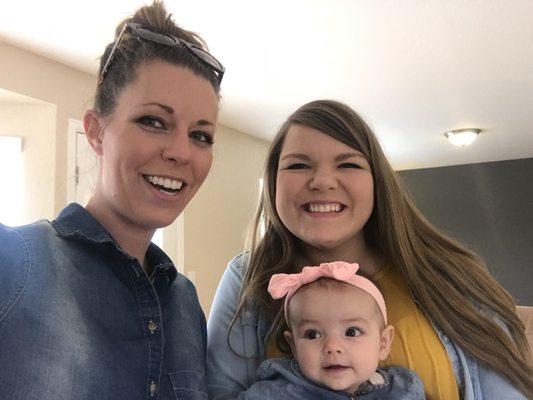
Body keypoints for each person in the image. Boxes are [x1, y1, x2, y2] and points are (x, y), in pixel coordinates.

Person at [206, 100, 532, 400]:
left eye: (347, 164)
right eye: (298, 165)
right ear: (274, 180)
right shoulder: (245, 279)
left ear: (377, 180)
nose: (322, 181)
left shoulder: (453, 276)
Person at [0, 1, 224, 399]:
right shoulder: (13, 262)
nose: (181, 152)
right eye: (154, 121)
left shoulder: (186, 303)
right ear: (96, 131)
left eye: (201, 135)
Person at [239, 261, 425, 400]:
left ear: (383, 343)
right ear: (294, 346)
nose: (333, 347)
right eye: (313, 334)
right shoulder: (272, 395)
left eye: (352, 332)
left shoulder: (403, 389)